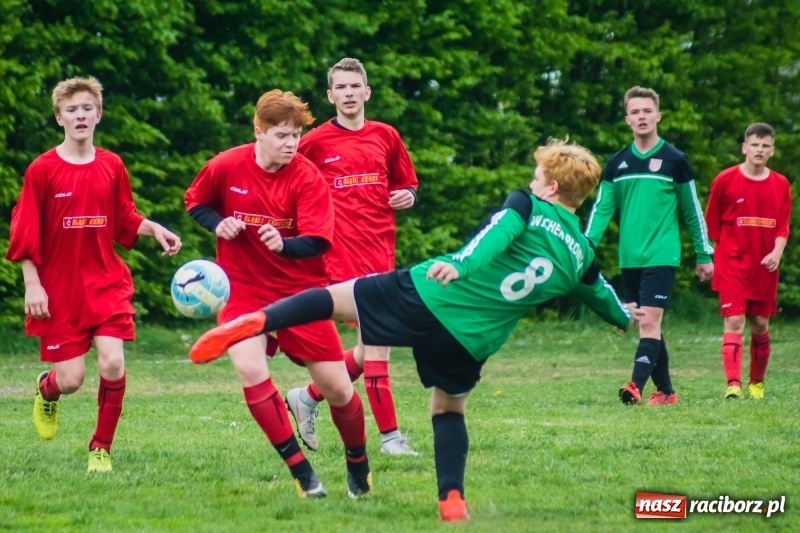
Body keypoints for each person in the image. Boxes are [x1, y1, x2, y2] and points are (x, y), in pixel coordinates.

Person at [188, 139, 638, 522]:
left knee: (337, 296)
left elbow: (496, 234)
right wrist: (623, 320)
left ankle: (258, 320)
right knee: (447, 411)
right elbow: (600, 295)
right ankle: (451, 498)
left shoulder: (526, 204)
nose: (533, 181)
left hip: (431, 295)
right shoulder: (581, 253)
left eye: (538, 176)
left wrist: (460, 265)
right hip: (473, 339)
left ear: (552, 187)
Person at [184, 89, 371, 499]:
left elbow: (319, 242)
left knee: (338, 389)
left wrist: (285, 245)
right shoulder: (226, 165)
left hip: (298, 294)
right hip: (242, 291)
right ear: (259, 131)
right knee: (251, 370)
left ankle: (358, 465)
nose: (291, 144)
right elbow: (195, 202)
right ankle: (303, 474)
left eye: (296, 136)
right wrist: (217, 224)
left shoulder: (306, 177)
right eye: (282, 135)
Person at [5, 76, 182, 472]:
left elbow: (124, 219)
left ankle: (100, 448)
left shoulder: (112, 165)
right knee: (71, 380)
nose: (80, 115)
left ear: (98, 114)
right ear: (59, 118)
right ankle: (46, 389)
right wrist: (32, 284)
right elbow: (24, 232)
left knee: (113, 363)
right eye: (72, 109)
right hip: (59, 290)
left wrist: (154, 229)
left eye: (87, 108)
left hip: (105, 282)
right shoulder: (42, 170)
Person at [286, 57, 420, 456]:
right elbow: (292, 186)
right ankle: (391, 438)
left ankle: (307, 397)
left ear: (367, 92)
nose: (348, 94)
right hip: (338, 259)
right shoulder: (314, 143)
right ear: (330, 96)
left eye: (354, 86)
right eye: (340, 88)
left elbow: (407, 182)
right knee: (378, 342)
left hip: (380, 254)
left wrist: (408, 195)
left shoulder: (386, 136)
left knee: (368, 348)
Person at [585, 86, 714, 406]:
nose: (641, 117)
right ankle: (667, 393)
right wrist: (585, 248)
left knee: (648, 321)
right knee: (649, 325)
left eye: (647, 111)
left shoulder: (675, 160)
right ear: (627, 119)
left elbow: (692, 210)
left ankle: (635, 386)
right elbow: (602, 210)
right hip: (630, 257)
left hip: (662, 254)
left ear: (658, 116)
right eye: (635, 112)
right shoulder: (617, 164)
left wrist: (703, 254)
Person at [704, 122, 790, 400]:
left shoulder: (780, 184)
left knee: (760, 324)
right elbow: (711, 224)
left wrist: (776, 252)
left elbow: (782, 227)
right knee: (734, 322)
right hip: (731, 264)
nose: (759, 150)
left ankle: (756, 383)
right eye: (755, 144)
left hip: (764, 267)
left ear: (772, 151)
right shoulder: (725, 180)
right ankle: (733, 385)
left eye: (765, 146)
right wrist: (709, 258)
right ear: (745, 147)